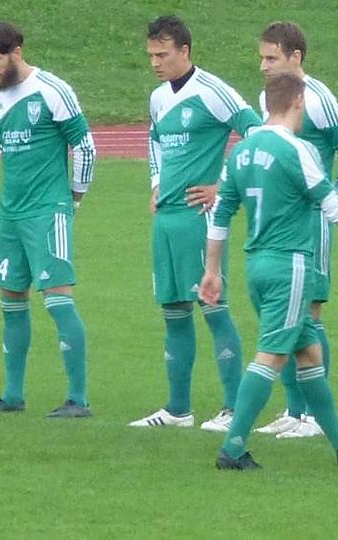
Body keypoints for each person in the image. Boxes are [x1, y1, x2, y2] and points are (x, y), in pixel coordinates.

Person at [201, 72, 338, 470]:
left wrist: (212, 269)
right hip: (290, 265)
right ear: (298, 102)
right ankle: (232, 448)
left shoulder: (241, 151)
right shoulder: (297, 149)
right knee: (272, 355)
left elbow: (220, 214)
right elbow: (334, 208)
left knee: (308, 352)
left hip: (257, 264)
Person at [128, 15, 261, 432]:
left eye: (162, 54)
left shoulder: (213, 91)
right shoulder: (158, 97)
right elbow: (154, 142)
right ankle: (178, 409)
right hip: (166, 218)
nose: (155, 62)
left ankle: (233, 409)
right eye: (151, 55)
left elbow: (258, 134)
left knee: (213, 307)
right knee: (173, 310)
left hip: (199, 219)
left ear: (184, 51)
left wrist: (222, 186)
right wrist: (155, 181)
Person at [250, 21, 338, 439]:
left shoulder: (318, 98)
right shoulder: (268, 97)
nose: (263, 66)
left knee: (310, 314)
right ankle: (294, 410)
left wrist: (329, 199)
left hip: (312, 222)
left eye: (272, 58)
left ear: (295, 56)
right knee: (288, 315)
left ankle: (316, 418)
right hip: (282, 223)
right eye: (262, 58)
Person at [0, 21, 96, 418]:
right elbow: (4, 150)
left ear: (17, 52)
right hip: (10, 213)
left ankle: (77, 399)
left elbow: (85, 145)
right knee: (11, 299)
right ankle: (12, 395)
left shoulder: (52, 90)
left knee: (58, 300)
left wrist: (73, 197)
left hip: (47, 210)